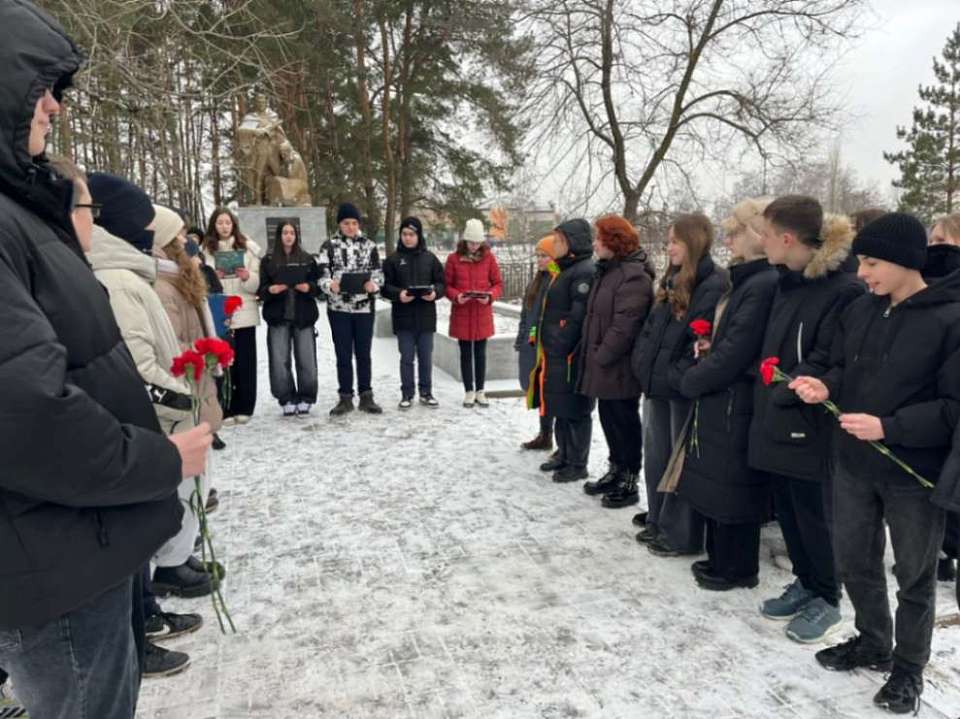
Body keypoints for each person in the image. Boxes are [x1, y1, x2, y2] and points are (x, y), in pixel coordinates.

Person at [0, 5, 210, 714]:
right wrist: (161, 461)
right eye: (41, 89)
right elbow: (26, 410)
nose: (56, 106)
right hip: (51, 556)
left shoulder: (20, 211)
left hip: (74, 536)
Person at [791, 212, 960, 715]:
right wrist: (825, 385)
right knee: (856, 562)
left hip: (913, 474)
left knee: (914, 576)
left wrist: (891, 428)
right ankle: (872, 640)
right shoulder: (863, 311)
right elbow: (842, 367)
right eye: (861, 262)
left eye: (872, 262)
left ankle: (908, 669)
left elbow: (953, 408)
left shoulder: (949, 319)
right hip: (853, 463)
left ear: (907, 261)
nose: (862, 272)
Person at [87, 173, 221, 603]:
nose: (183, 243)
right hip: (166, 407)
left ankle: (173, 561)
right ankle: (165, 573)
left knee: (182, 492)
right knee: (170, 494)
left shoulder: (142, 274)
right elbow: (141, 362)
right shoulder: (127, 282)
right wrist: (186, 396)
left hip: (181, 389)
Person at [749, 195, 863, 644]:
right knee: (791, 510)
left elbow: (829, 357)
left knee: (815, 513)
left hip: (810, 421)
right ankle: (806, 581)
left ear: (787, 238)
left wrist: (788, 386)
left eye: (765, 233)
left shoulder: (842, 289)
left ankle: (828, 596)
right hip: (779, 414)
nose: (761, 241)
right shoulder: (789, 282)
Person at [673, 199, 779, 591]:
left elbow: (738, 349)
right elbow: (727, 341)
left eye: (735, 232)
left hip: (737, 397)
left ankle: (737, 567)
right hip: (723, 395)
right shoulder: (747, 280)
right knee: (718, 482)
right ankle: (721, 558)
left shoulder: (761, 283)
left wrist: (694, 378)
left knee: (734, 486)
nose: (729, 240)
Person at [630, 214, 728, 554]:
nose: (668, 246)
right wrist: (642, 364)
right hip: (656, 384)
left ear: (693, 242)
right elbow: (651, 328)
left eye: (675, 241)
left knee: (680, 462)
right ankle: (659, 518)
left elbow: (700, 338)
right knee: (656, 455)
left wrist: (677, 375)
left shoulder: (712, 283)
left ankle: (680, 533)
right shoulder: (672, 278)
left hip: (680, 389)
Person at [152, 204, 226, 516]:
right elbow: (169, 341)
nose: (186, 240)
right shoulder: (163, 287)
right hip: (187, 380)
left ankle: (198, 501)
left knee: (201, 448)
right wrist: (207, 348)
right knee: (191, 453)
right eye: (180, 235)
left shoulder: (181, 278)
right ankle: (186, 529)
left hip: (199, 376)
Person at [578, 215, 654, 507]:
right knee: (610, 418)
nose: (595, 244)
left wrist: (601, 355)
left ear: (614, 241)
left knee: (624, 421)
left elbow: (626, 324)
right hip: (604, 364)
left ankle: (629, 478)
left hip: (619, 366)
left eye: (600, 238)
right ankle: (616, 468)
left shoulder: (633, 275)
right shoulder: (609, 271)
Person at [529, 220, 596, 482]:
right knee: (560, 405)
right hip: (556, 354)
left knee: (575, 409)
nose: (553, 244)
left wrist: (560, 343)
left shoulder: (583, 272)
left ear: (571, 243)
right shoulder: (565, 270)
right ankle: (564, 453)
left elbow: (576, 316)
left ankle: (577, 462)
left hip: (569, 355)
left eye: (558, 240)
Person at [318, 202, 384, 415]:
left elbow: (378, 274)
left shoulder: (370, 245)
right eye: (346, 223)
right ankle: (345, 396)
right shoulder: (328, 246)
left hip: (364, 308)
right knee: (343, 354)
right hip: (339, 309)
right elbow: (321, 274)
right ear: (340, 224)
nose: (351, 227)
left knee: (364, 353)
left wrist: (373, 285)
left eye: (354, 223)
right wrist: (330, 285)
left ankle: (366, 395)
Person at [203, 207, 262, 424]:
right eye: (220, 223)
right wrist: (213, 277)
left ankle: (245, 406)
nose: (224, 227)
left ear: (234, 225)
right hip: (219, 312)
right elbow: (202, 284)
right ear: (214, 225)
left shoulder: (248, 249)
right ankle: (225, 407)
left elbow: (257, 285)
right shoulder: (206, 250)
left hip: (244, 310)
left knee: (245, 362)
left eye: (228, 223)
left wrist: (247, 277)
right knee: (224, 362)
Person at [381, 216, 446, 409]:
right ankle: (407, 393)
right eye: (404, 234)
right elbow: (384, 287)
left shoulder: (430, 259)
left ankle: (426, 392)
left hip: (426, 317)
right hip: (403, 318)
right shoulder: (393, 260)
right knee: (407, 357)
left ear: (419, 235)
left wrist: (435, 293)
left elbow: (442, 283)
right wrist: (398, 294)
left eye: (412, 234)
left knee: (426, 358)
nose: (408, 238)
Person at [257, 220, 320, 416]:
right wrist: (271, 289)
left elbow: (317, 286)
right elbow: (261, 290)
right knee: (279, 360)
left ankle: (306, 396)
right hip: (278, 316)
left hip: (303, 316)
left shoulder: (307, 259)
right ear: (279, 236)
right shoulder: (268, 260)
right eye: (285, 232)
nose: (289, 236)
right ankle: (285, 397)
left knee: (306, 360)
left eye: (292, 232)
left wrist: (309, 288)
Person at [445, 218, 504, 407]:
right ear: (465, 240)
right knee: (465, 353)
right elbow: (446, 285)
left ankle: (480, 390)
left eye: (478, 243)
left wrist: (490, 297)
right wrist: (456, 296)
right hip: (462, 312)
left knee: (480, 353)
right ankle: (468, 391)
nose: (474, 246)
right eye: (471, 242)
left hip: (481, 313)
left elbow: (498, 284)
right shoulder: (453, 259)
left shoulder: (489, 258)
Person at [517, 236, 559, 450]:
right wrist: (522, 337)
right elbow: (526, 313)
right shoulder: (537, 281)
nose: (540, 260)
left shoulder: (556, 280)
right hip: (533, 343)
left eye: (544, 256)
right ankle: (544, 433)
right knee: (537, 390)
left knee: (548, 391)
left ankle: (550, 435)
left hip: (547, 346)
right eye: (538, 256)